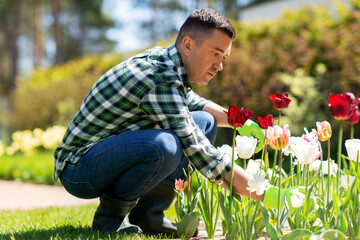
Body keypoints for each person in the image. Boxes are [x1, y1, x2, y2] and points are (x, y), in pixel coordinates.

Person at [53, 8, 303, 237]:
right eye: (215, 53)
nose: (219, 66)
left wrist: (242, 123)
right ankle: (110, 219)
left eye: (224, 57)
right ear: (187, 45)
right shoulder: (159, 76)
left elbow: (191, 101)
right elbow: (199, 150)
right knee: (166, 144)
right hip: (79, 168)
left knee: (204, 122)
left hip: (104, 156)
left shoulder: (167, 61)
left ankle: (148, 216)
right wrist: (263, 192)